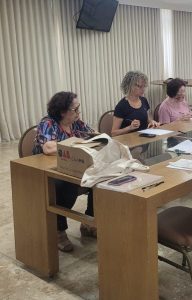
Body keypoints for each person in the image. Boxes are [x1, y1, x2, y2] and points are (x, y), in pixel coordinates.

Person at [33, 91, 96, 252]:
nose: (78, 112)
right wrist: (79, 143)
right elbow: (48, 148)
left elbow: (94, 134)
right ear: (62, 111)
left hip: (71, 166)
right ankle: (58, 230)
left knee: (98, 178)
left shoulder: (76, 123)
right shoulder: (48, 123)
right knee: (67, 186)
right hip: (47, 171)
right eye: (75, 109)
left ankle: (88, 222)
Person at [111, 71, 159, 137]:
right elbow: (113, 133)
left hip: (144, 138)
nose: (143, 89)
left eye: (144, 86)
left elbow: (147, 118)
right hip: (129, 141)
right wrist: (129, 127)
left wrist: (152, 121)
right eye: (139, 86)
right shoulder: (121, 106)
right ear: (130, 86)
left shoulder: (143, 100)